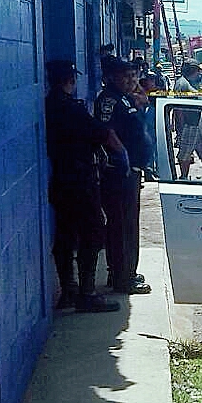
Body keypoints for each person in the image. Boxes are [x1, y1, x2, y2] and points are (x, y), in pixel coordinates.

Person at [44, 60, 125, 313]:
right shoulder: (73, 109)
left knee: (65, 234)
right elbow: (104, 134)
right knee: (93, 232)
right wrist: (122, 156)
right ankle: (87, 294)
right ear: (70, 80)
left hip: (60, 178)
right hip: (81, 179)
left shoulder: (48, 106)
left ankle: (68, 289)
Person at [95, 59, 153, 295]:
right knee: (122, 226)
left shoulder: (125, 98)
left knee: (128, 224)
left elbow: (142, 100)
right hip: (119, 173)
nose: (131, 81)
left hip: (131, 172)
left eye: (133, 76)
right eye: (125, 76)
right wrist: (123, 159)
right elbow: (107, 132)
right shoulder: (109, 100)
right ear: (110, 78)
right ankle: (123, 278)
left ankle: (125, 270)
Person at [172, 60, 202, 177]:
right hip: (188, 124)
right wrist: (181, 128)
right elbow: (178, 108)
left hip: (196, 124)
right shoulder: (182, 84)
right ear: (193, 70)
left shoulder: (188, 83)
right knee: (185, 154)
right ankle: (184, 176)